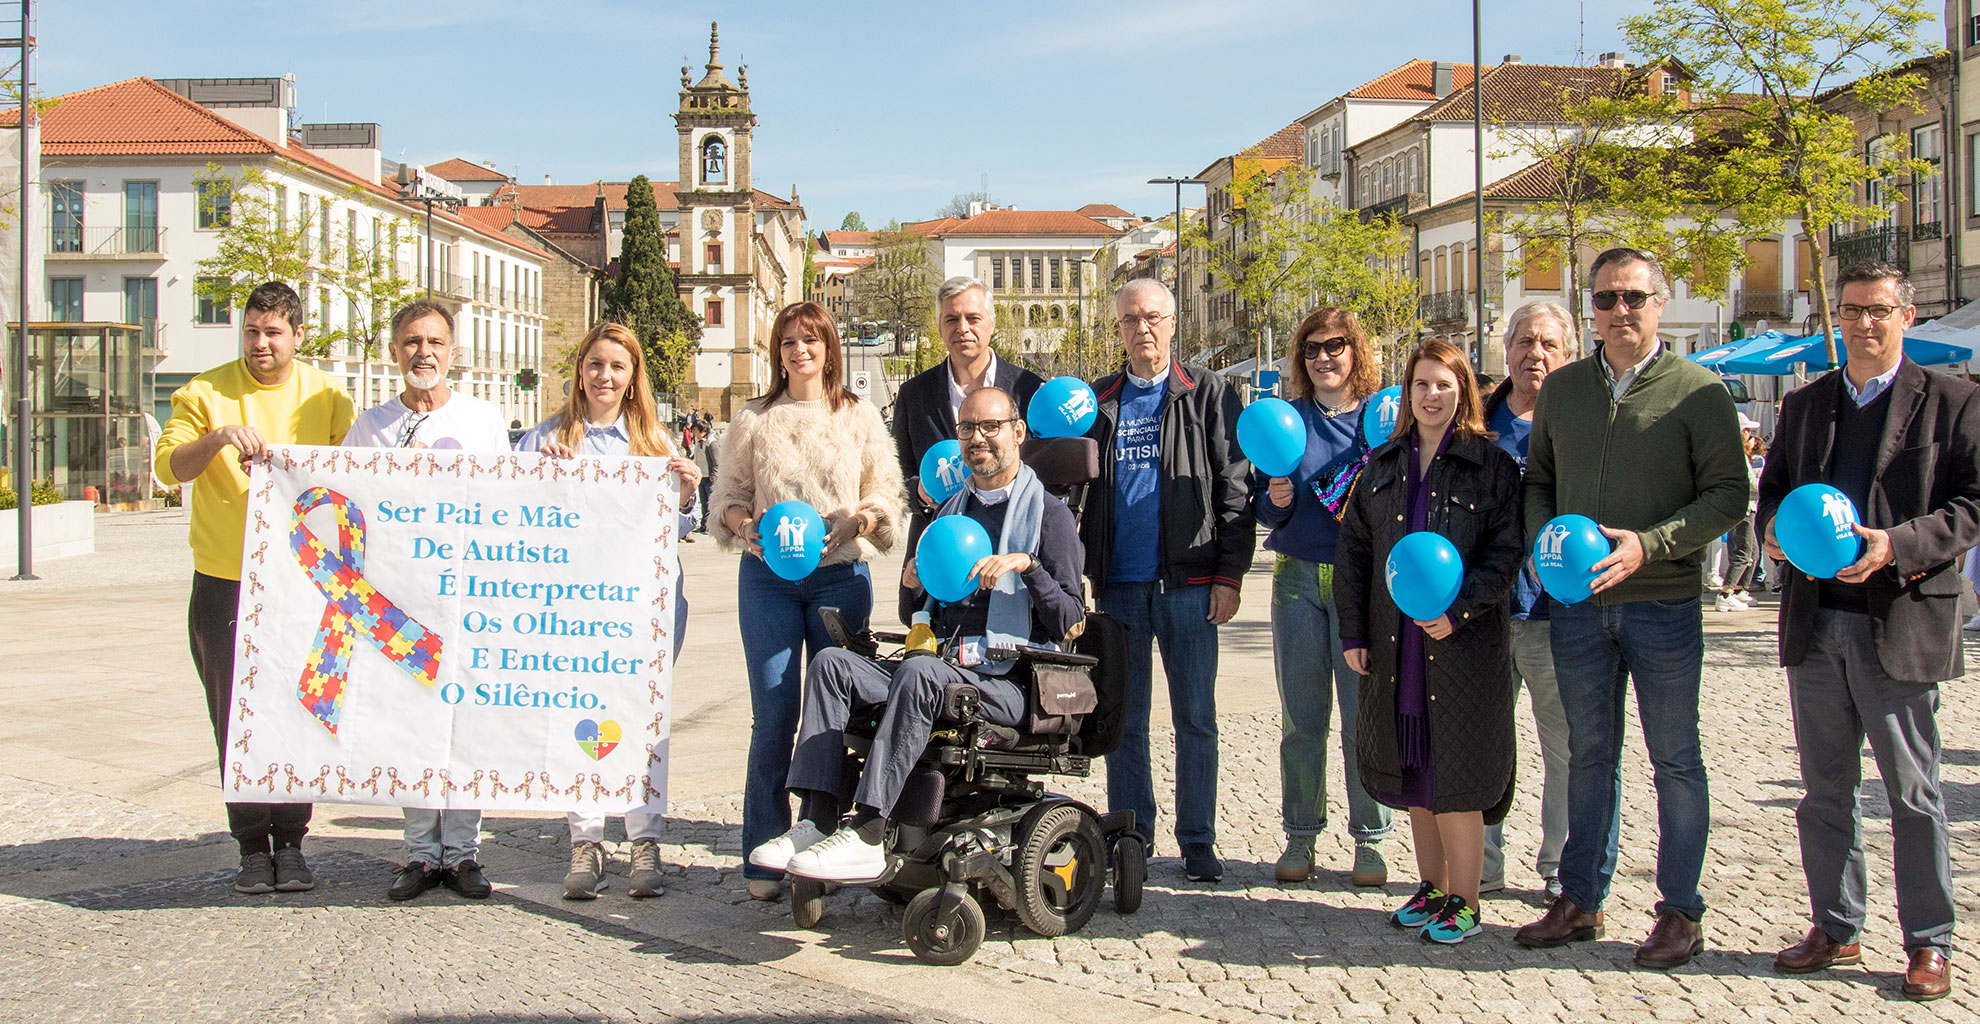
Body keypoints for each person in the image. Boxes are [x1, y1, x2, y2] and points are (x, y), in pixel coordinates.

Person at [1513, 247, 1748, 968]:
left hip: (1663, 605)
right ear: (1591, 306)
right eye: (1608, 298)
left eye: (1635, 298)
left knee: (1677, 760)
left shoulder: (1700, 391)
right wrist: (1547, 547)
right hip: (1580, 610)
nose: (1621, 311)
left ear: (1661, 302)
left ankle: (1681, 911)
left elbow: (1728, 496)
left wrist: (1651, 545)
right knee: (1590, 756)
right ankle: (1581, 897)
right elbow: (1538, 484)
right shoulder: (1565, 390)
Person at [749, 386, 1084, 880]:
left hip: (1009, 681)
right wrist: (912, 582)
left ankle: (867, 829)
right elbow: (914, 616)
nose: (978, 439)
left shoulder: (1050, 516)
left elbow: (1072, 621)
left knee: (922, 672)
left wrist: (1028, 566)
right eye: (967, 428)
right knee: (832, 665)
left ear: (1018, 433)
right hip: (943, 671)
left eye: (990, 427)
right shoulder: (946, 513)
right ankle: (818, 821)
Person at [1757, 262, 1978, 1001]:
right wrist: (1774, 537)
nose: (1864, 324)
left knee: (1912, 794)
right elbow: (1775, 492)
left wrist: (1897, 545)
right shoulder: (1807, 404)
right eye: (1852, 310)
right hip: (1816, 626)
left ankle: (1929, 942)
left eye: (1879, 311)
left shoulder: (1952, 402)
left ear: (1905, 317)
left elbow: (1972, 507)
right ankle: (1836, 925)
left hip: (1901, 621)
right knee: (1825, 791)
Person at [154, 281, 355, 894]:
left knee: (299, 710)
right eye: (251, 331)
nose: (260, 343)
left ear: (299, 335)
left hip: (300, 582)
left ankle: (292, 842)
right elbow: (169, 469)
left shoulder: (327, 396)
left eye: (273, 332)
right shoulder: (204, 392)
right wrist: (218, 437)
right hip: (224, 581)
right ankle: (249, 845)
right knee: (232, 714)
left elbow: (351, 476)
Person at [708, 301, 906, 901]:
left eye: (811, 341)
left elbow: (887, 498)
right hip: (766, 579)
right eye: (789, 342)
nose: (800, 351)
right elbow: (728, 498)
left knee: (837, 717)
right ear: (778, 353)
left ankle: (825, 842)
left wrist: (856, 523)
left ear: (829, 349)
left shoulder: (859, 417)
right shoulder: (754, 418)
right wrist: (748, 528)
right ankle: (763, 854)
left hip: (838, 579)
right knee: (772, 717)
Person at [1336, 339, 1523, 944]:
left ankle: (1465, 900)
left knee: (1457, 767)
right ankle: (1432, 888)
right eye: (1421, 384)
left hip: (1461, 645)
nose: (1431, 395)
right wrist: (1355, 632)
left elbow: (1504, 554)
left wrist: (1461, 610)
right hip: (1396, 643)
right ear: (1407, 393)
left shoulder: (1491, 467)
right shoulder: (1384, 464)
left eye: (1444, 384)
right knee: (1410, 761)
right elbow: (1355, 554)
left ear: (1463, 390)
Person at [516, 321, 702, 901]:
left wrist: (689, 493)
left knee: (643, 722)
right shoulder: (544, 439)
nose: (605, 376)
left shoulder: (655, 443)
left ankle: (644, 839)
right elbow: (516, 523)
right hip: (573, 610)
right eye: (596, 364)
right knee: (579, 717)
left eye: (618, 367)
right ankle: (586, 840)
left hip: (646, 607)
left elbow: (680, 527)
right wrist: (539, 478)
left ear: (632, 377)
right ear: (580, 369)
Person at [1083, 278, 1253, 883]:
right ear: (1119, 330)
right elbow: (1073, 490)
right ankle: (1133, 837)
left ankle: (1198, 840)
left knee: (1196, 719)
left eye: (1153, 317)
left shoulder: (1208, 394)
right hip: (1120, 589)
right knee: (1123, 721)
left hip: (1189, 585)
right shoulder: (1099, 401)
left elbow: (1236, 489)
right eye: (1130, 320)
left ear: (1174, 323)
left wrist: (1229, 576)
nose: (1142, 329)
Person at [342, 300, 509, 902]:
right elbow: (345, 501)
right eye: (412, 342)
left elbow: (508, 501)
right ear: (394, 351)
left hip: (469, 595)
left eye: (435, 342)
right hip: (399, 601)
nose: (424, 353)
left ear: (453, 352)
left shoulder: (484, 419)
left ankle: (463, 852)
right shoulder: (370, 426)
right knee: (411, 724)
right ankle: (418, 853)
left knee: (465, 723)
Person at [1251, 306, 1394, 886]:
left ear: (1355, 351)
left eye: (1335, 345)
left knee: (1365, 718)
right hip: (1296, 578)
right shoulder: (1287, 420)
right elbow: (1262, 507)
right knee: (1302, 719)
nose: (1324, 357)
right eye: (1312, 348)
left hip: (1364, 581)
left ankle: (1371, 842)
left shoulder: (1382, 419)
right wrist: (1276, 499)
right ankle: (1301, 836)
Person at [1479, 300, 1575, 900]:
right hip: (1483, 612)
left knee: (1564, 747)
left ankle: (1561, 865)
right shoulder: (1478, 422)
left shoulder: (1580, 423)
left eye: (1548, 344)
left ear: (1567, 354)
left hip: (1554, 614)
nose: (1534, 354)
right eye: (1524, 342)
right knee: (1485, 744)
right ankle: (1482, 864)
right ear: (1506, 350)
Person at [891, 276, 1044, 621]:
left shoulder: (1027, 389)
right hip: (937, 555)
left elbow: (1043, 473)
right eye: (951, 319)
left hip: (1007, 550)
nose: (963, 328)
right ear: (940, 327)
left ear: (991, 322)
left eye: (973, 318)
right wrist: (915, 490)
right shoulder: (915, 394)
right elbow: (894, 473)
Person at [1716, 422, 1766, 611]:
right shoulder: (1736, 455)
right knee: (1744, 552)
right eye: (1748, 431)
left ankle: (1738, 590)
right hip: (1742, 508)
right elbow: (1749, 483)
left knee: (1752, 551)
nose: (1752, 436)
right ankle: (1726, 593)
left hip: (1748, 507)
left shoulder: (1741, 455)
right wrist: (1764, 479)